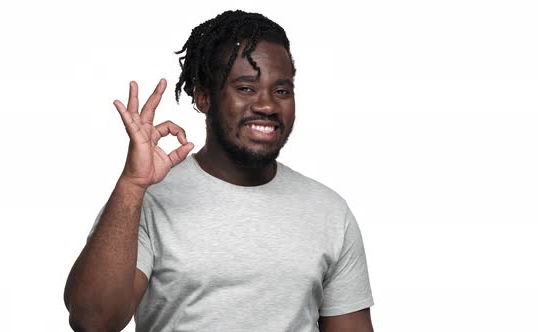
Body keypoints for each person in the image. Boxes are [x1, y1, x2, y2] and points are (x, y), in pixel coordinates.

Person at [64, 10, 374, 332]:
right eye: (246, 88)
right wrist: (132, 185)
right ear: (204, 97)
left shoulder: (328, 211)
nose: (267, 105)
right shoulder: (149, 201)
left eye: (281, 91)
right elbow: (93, 321)